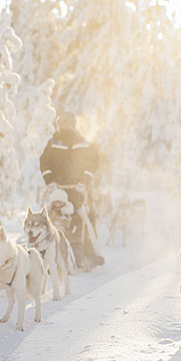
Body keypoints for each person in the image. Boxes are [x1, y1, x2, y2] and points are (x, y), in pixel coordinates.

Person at [39, 112, 104, 270]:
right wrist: (50, 182)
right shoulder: (53, 142)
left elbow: (94, 162)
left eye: (66, 122)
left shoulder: (83, 142)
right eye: (60, 122)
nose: (62, 125)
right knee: (53, 217)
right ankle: (47, 253)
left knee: (83, 218)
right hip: (58, 189)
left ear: (73, 124)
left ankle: (89, 255)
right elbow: (44, 162)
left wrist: (84, 182)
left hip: (78, 189)